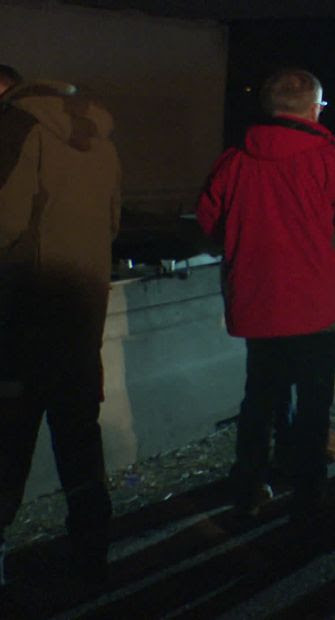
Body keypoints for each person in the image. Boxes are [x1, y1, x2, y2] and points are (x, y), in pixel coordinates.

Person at [197, 68, 335, 520]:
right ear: (314, 108)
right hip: (320, 305)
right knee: (315, 402)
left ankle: (250, 488)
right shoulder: (330, 161)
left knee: (259, 395)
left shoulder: (236, 160)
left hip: (257, 299)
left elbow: (208, 219)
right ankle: (310, 494)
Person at [1, 77, 121, 586]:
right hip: (81, 312)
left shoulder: (16, 129)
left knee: (8, 441)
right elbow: (112, 223)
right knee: (78, 437)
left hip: (23, 318)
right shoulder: (102, 141)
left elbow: (4, 223)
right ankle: (93, 550)